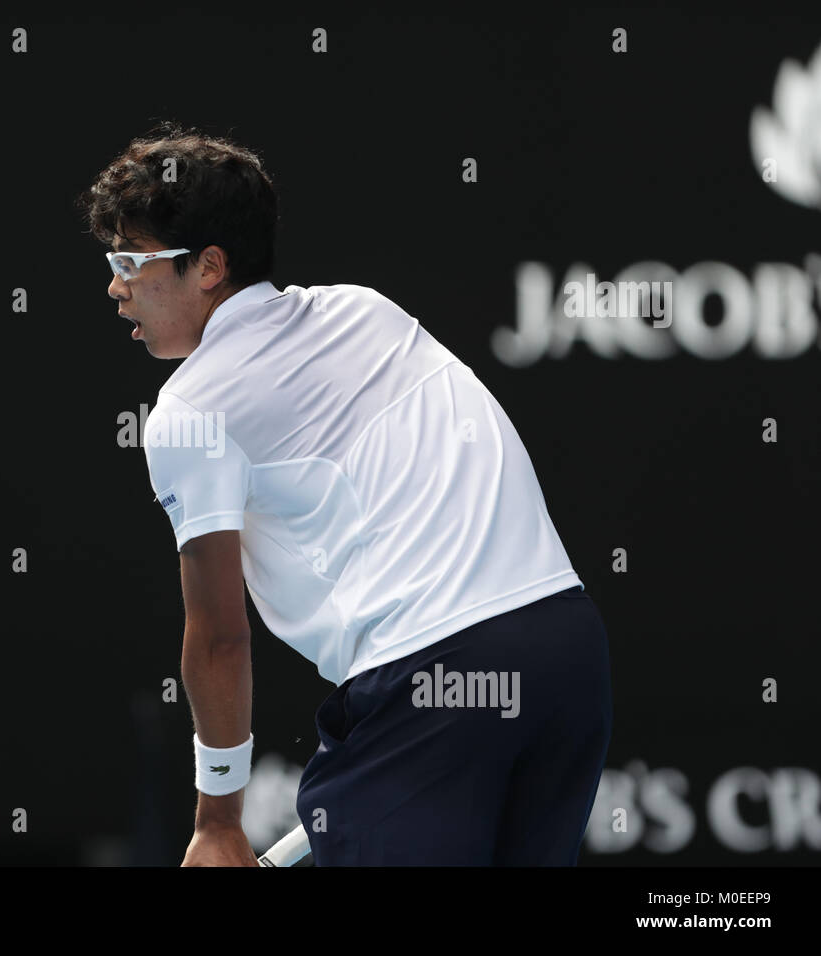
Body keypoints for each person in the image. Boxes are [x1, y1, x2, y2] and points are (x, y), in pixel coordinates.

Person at [77, 121, 613, 866]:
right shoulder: (368, 309)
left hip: (431, 681)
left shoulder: (188, 414)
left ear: (208, 267)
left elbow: (220, 637)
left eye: (132, 261)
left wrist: (219, 820)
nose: (115, 285)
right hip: (567, 655)